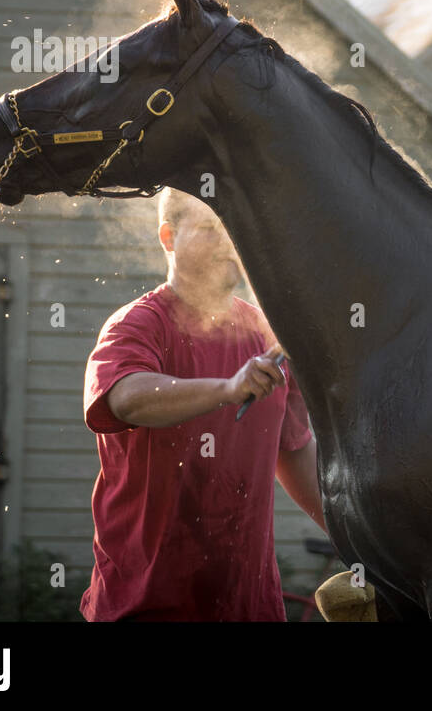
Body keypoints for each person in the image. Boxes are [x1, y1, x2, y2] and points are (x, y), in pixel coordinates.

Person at [79, 188, 325, 621]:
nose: (229, 240)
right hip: (145, 606)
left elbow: (295, 454)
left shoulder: (269, 336)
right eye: (211, 228)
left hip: (250, 607)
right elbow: (127, 398)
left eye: (234, 227)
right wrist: (227, 389)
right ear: (168, 237)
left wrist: (369, 551)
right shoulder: (137, 324)